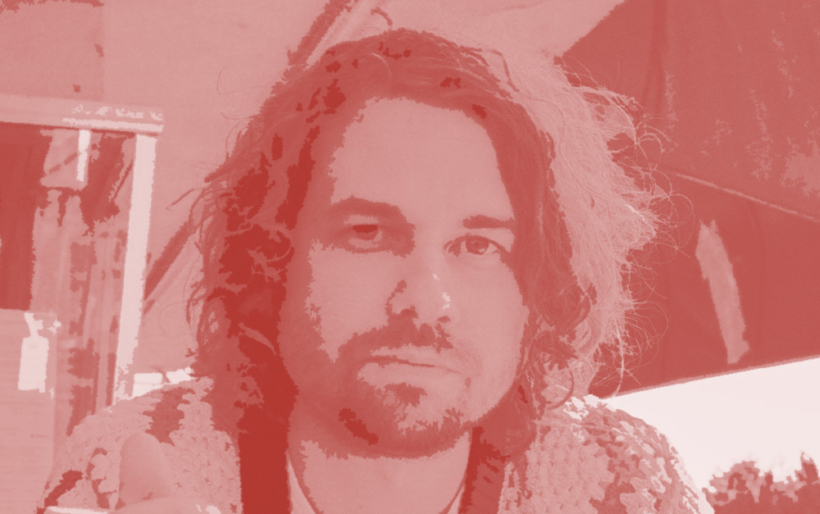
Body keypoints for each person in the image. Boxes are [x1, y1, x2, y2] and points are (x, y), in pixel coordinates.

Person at [38, 29, 712, 514]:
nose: (426, 299)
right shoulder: (126, 468)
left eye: (479, 245)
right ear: (274, 261)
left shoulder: (625, 488)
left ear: (537, 292)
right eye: (368, 234)